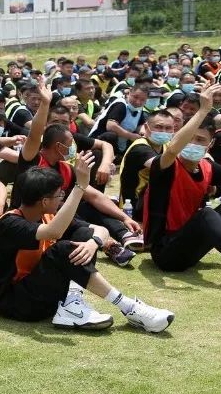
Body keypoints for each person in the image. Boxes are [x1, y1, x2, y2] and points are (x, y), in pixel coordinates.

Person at [0, 155, 174, 332]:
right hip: (16, 304)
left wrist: (93, 243)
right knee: (62, 248)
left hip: (41, 294)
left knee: (84, 235)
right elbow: (54, 232)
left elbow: (100, 230)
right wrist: (79, 187)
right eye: (59, 195)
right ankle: (128, 306)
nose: (62, 198)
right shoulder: (10, 223)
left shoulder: (48, 215)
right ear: (44, 201)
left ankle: (72, 302)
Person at [18, 80, 143, 266]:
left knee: (87, 206)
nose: (73, 148)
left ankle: (124, 234)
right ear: (59, 146)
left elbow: (95, 196)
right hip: (33, 223)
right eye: (70, 145)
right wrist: (45, 103)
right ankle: (109, 244)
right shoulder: (32, 159)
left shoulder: (65, 168)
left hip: (60, 218)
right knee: (75, 222)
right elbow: (34, 134)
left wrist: (125, 217)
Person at [144, 83, 221, 271]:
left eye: (200, 140)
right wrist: (203, 110)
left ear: (210, 144)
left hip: (191, 241)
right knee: (206, 214)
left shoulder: (208, 166)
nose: (193, 143)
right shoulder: (166, 165)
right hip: (166, 252)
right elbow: (172, 150)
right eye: (189, 138)